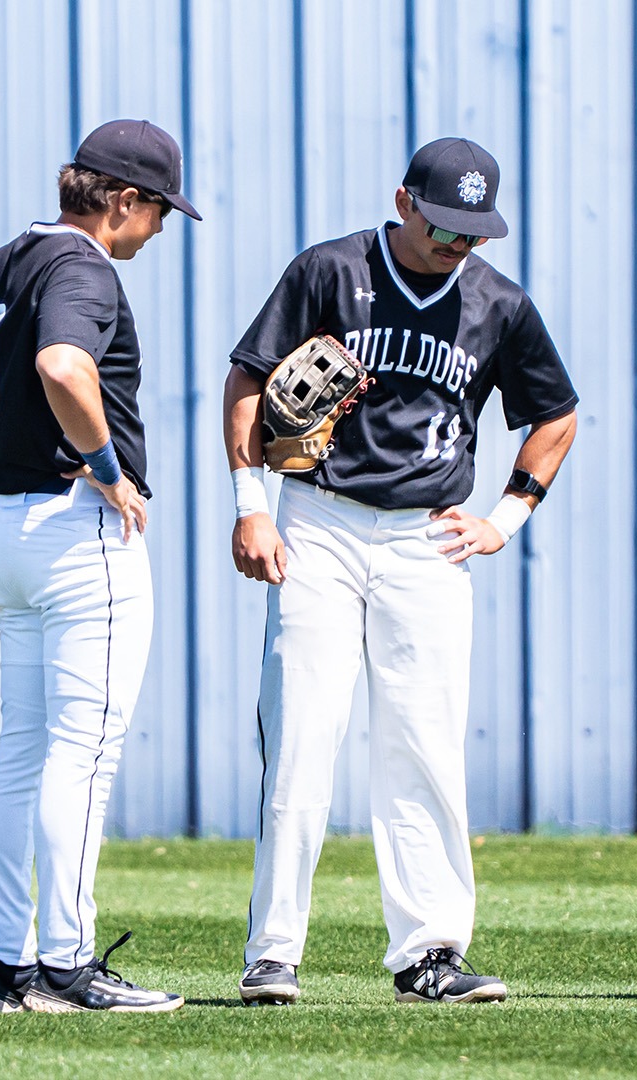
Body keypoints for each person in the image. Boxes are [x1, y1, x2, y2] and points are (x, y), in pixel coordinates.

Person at [224, 137, 578, 1005]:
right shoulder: (329, 271)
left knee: (423, 746)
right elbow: (248, 376)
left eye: (474, 232)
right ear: (404, 201)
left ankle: (430, 954)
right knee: (302, 736)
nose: (459, 245)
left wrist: (505, 516)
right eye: (445, 226)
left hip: (427, 539)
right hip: (320, 522)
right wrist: (251, 501)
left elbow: (557, 415)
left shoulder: (499, 303)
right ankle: (273, 954)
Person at [0, 119, 198, 1013]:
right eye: (158, 213)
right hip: (75, 530)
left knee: (22, 748)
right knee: (84, 751)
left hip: (8, 529)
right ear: (125, 201)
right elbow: (65, 363)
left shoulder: (0, 261)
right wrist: (104, 467)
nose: (156, 232)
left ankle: (4, 968)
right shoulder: (81, 266)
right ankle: (66, 966)